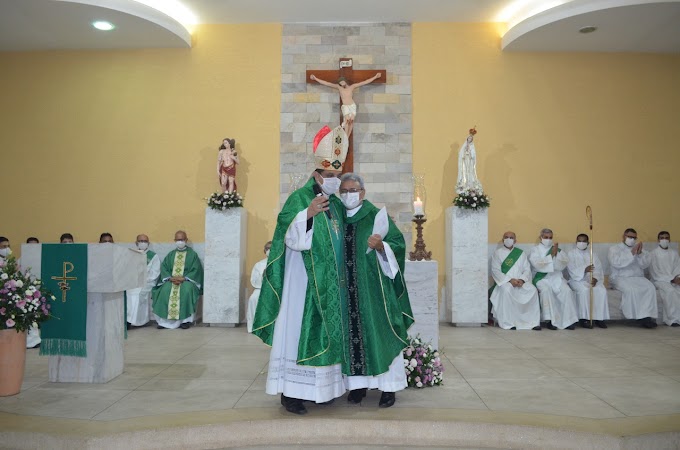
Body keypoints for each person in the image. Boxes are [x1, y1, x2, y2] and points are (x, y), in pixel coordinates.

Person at [253, 125, 349, 415]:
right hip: (302, 282)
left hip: (329, 283)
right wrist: (306, 214)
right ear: (317, 175)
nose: (334, 181)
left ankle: (323, 389)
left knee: (327, 331)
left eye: (337, 176)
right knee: (297, 330)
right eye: (329, 176)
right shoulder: (299, 198)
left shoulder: (336, 204)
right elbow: (286, 232)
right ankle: (291, 393)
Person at [338, 173, 414, 408]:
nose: (349, 195)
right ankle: (357, 387)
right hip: (346, 292)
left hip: (375, 292)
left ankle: (389, 389)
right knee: (352, 337)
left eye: (353, 190)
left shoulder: (375, 216)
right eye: (344, 191)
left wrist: (382, 247)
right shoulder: (336, 218)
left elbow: (398, 244)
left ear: (362, 192)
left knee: (380, 333)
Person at [152, 230, 203, 330]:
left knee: (187, 290)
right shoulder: (171, 254)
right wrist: (170, 278)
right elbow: (164, 268)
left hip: (186, 281)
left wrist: (183, 278)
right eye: (178, 239)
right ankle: (164, 321)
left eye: (182, 239)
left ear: (186, 240)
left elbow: (196, 270)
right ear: (174, 240)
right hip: (171, 280)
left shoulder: (192, 254)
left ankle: (185, 321)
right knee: (164, 290)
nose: (180, 241)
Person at [489, 231, 541, 330]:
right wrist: (510, 280)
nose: (509, 239)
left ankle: (533, 322)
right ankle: (509, 323)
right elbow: (495, 270)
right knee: (507, 290)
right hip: (505, 282)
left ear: (515, 240)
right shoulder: (497, 253)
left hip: (520, 282)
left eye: (511, 237)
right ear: (503, 239)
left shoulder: (521, 253)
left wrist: (521, 280)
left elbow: (527, 269)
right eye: (506, 237)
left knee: (532, 290)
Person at [529, 228, 578, 330]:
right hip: (541, 278)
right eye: (546, 237)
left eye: (550, 237)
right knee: (546, 291)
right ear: (540, 237)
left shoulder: (557, 250)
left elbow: (564, 263)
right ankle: (549, 320)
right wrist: (551, 255)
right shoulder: (535, 249)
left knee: (567, 291)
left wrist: (556, 254)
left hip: (556, 277)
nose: (548, 239)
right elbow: (537, 264)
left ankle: (568, 320)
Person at [608, 228, 658, 328]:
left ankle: (647, 317)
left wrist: (639, 254)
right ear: (624, 236)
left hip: (637, 277)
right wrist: (631, 254)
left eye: (634, 238)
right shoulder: (614, 249)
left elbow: (644, 265)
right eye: (629, 237)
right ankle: (637, 316)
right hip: (620, 277)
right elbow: (616, 263)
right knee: (632, 290)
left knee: (650, 288)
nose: (632, 239)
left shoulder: (640, 250)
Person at [310, 72, 381, 138]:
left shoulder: (352, 87)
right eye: (340, 82)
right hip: (345, 107)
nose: (341, 83)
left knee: (351, 121)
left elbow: (364, 82)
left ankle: (347, 137)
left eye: (342, 81)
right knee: (347, 120)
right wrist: (315, 78)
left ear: (345, 81)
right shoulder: (339, 88)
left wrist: (375, 77)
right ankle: (345, 137)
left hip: (352, 106)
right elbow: (327, 83)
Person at [567, 234, 610, 328]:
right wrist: (584, 270)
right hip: (577, 280)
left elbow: (598, 268)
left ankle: (599, 318)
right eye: (579, 241)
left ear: (588, 243)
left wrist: (595, 278)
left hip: (591, 280)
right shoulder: (571, 254)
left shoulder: (593, 255)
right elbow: (571, 270)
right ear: (576, 242)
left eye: (584, 241)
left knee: (601, 290)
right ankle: (584, 318)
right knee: (584, 290)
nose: (581, 243)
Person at [126, 234, 161, 328]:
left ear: (148, 243)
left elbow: (155, 273)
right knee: (127, 292)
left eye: (145, 241)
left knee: (137, 293)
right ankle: (127, 319)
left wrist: (142, 280)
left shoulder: (153, 256)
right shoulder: (132, 255)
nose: (143, 243)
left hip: (148, 282)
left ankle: (132, 321)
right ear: (136, 242)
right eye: (141, 241)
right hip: (133, 282)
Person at [648, 231, 680, 327]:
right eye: (662, 238)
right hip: (658, 280)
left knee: (677, 289)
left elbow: (677, 267)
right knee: (670, 291)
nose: (664, 240)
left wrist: (677, 277)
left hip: (673, 279)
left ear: (669, 240)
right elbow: (654, 272)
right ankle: (672, 319)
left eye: (666, 238)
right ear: (658, 240)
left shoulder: (674, 253)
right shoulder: (653, 253)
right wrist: (671, 279)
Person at [246, 241, 272, 333]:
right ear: (264, 251)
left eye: (271, 248)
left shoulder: (280, 263)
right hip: (261, 288)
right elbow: (254, 281)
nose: (269, 250)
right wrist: (262, 276)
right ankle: (253, 326)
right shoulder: (259, 265)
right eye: (267, 248)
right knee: (253, 298)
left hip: (276, 290)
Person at [23, 237, 42, 348]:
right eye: (30, 245)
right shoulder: (22, 259)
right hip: (29, 292)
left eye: (35, 245)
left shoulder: (44, 257)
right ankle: (32, 339)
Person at [455, 128, 483, 194]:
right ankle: (464, 186)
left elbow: (473, 156)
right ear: (467, 139)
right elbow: (461, 155)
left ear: (472, 140)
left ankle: (471, 187)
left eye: (471, 139)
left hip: (469, 162)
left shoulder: (472, 147)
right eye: (469, 139)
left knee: (470, 174)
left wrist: (470, 153)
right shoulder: (464, 146)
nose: (469, 140)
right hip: (465, 162)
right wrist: (464, 153)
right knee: (465, 174)